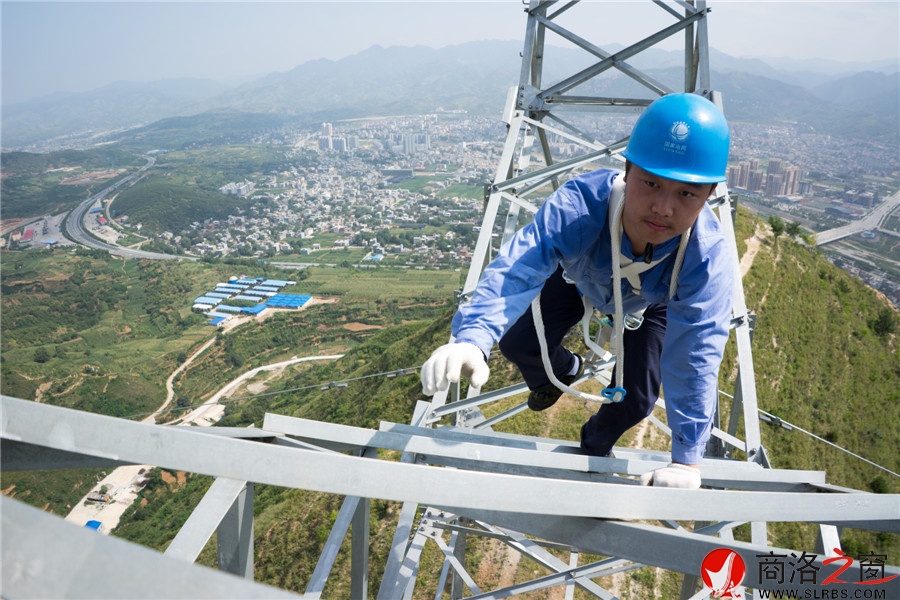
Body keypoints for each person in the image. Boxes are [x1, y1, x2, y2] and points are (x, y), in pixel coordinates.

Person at [420, 93, 735, 489]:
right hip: (579, 276)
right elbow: (520, 265)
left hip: (650, 303)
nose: (663, 208)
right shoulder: (582, 206)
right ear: (627, 171)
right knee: (518, 342)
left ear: (709, 195)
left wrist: (686, 460)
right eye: (651, 184)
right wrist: (472, 338)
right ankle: (560, 372)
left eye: (686, 193)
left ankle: (594, 446)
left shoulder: (705, 257)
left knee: (636, 400)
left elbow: (696, 352)